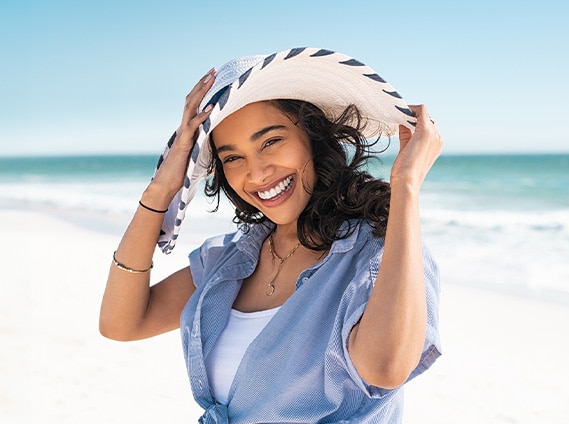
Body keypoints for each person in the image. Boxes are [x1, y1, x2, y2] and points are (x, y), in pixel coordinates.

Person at [98, 47, 442, 423]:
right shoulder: (229, 260)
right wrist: (160, 192)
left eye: (270, 141)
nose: (258, 173)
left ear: (312, 136)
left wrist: (405, 186)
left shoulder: (381, 252)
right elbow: (121, 323)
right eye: (232, 158)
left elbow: (386, 367)